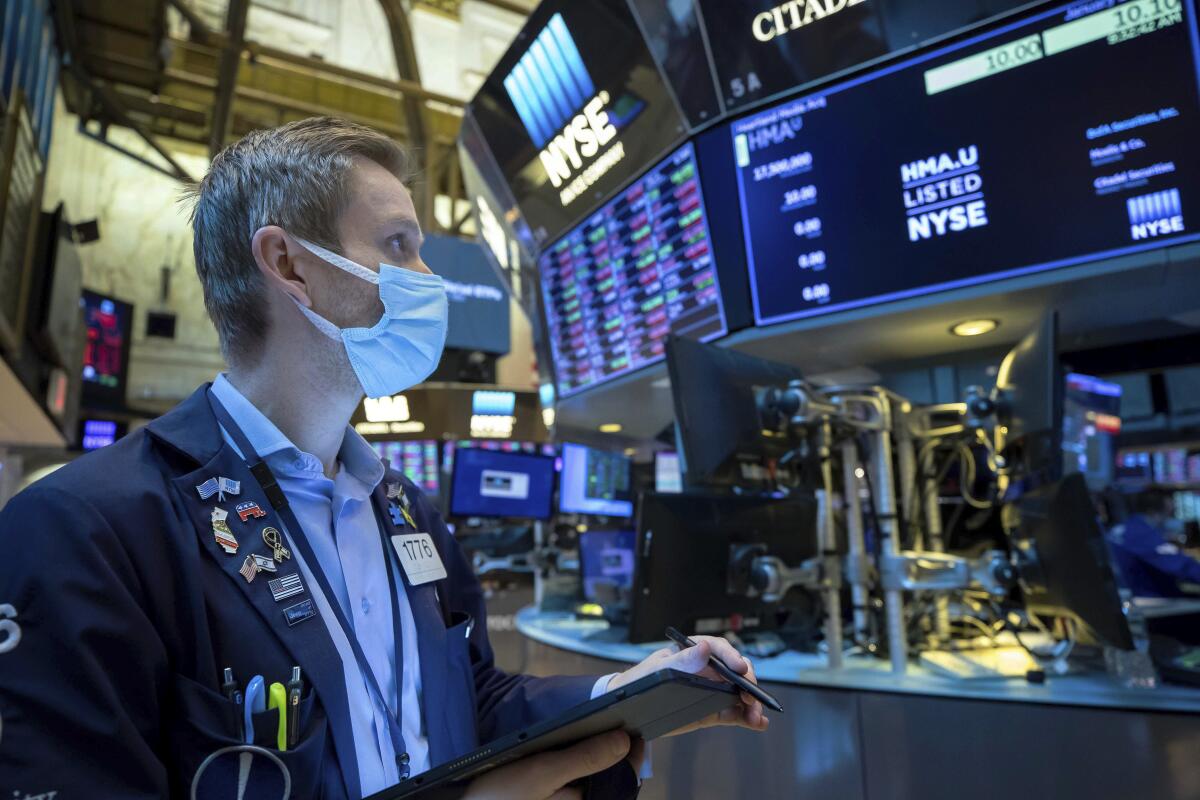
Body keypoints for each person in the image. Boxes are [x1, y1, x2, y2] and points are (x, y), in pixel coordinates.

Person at [0, 117, 768, 799]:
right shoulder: (85, 529)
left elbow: (474, 699)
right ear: (289, 265)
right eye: (398, 246)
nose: (429, 282)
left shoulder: (401, 507)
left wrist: (620, 689)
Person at [1107, 487, 1200, 598]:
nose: (1171, 515)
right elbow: (1181, 566)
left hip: (1132, 595)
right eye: (1170, 512)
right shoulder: (1140, 533)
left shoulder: (1128, 527)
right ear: (1156, 510)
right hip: (1148, 600)